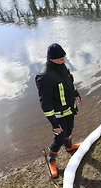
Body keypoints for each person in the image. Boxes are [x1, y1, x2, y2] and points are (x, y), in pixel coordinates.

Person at [36, 43, 82, 177]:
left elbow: (69, 84)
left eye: (64, 58)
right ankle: (52, 160)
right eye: (61, 59)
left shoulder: (62, 67)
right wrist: (54, 124)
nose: (64, 61)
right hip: (58, 114)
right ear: (51, 59)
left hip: (69, 109)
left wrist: (76, 93)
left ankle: (69, 147)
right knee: (59, 137)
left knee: (69, 129)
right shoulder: (44, 76)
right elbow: (45, 103)